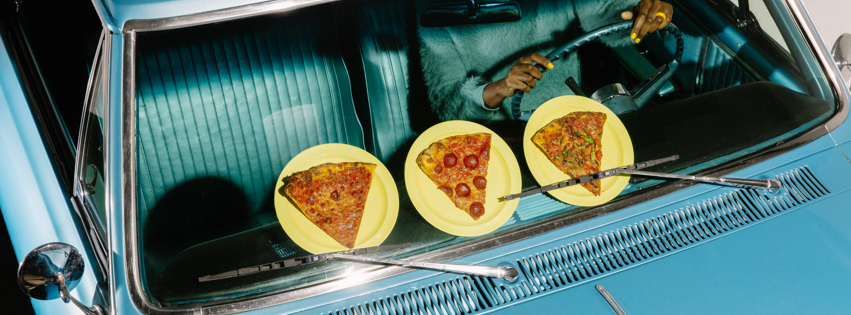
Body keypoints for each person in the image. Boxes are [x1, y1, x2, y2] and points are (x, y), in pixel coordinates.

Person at [417, 0, 674, 123]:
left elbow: (606, 12)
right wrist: (499, 88)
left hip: (572, 112)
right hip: (503, 133)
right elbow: (449, 107)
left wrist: (642, 13)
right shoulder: (436, 11)